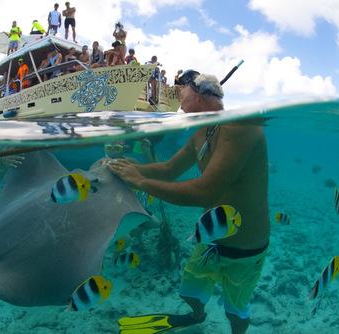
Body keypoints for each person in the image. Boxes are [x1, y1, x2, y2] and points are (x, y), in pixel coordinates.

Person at [109, 71, 269, 334]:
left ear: (200, 92)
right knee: (191, 293)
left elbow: (205, 192)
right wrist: (130, 168)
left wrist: (141, 182)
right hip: (209, 241)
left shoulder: (241, 127)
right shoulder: (201, 133)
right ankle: (197, 316)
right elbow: (170, 169)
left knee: (235, 310)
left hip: (246, 246)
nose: (176, 95)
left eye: (179, 89)